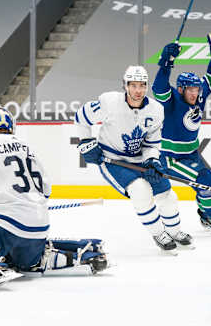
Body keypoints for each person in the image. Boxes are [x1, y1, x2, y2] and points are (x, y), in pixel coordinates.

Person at [0, 107, 108, 289]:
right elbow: (46, 190)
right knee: (25, 263)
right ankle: (78, 254)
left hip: (2, 225)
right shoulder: (25, 147)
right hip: (38, 227)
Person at [75, 65, 193, 253]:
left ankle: (175, 231)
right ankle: (158, 233)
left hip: (139, 159)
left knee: (167, 194)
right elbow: (81, 117)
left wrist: (152, 160)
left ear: (146, 86)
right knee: (140, 190)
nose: (138, 90)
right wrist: (86, 141)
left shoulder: (155, 110)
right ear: (125, 85)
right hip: (112, 159)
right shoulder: (109, 102)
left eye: (142, 85)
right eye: (133, 85)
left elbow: (152, 144)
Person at [152, 26, 211, 235]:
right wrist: (166, 63)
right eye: (190, 89)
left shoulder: (200, 95)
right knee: (204, 179)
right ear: (181, 89)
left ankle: (208, 215)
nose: (195, 93)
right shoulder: (171, 100)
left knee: (205, 178)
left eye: (197, 89)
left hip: (191, 153)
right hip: (170, 158)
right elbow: (158, 88)